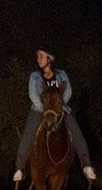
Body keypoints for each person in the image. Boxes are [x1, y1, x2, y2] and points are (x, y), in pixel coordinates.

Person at [13, 47, 96, 182]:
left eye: (41, 56)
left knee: (76, 131)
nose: (38, 59)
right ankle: (19, 168)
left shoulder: (61, 74)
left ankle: (86, 165)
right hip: (40, 109)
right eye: (38, 57)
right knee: (28, 134)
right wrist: (44, 109)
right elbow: (32, 94)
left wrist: (59, 107)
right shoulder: (35, 76)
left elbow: (68, 91)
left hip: (60, 109)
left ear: (49, 58)